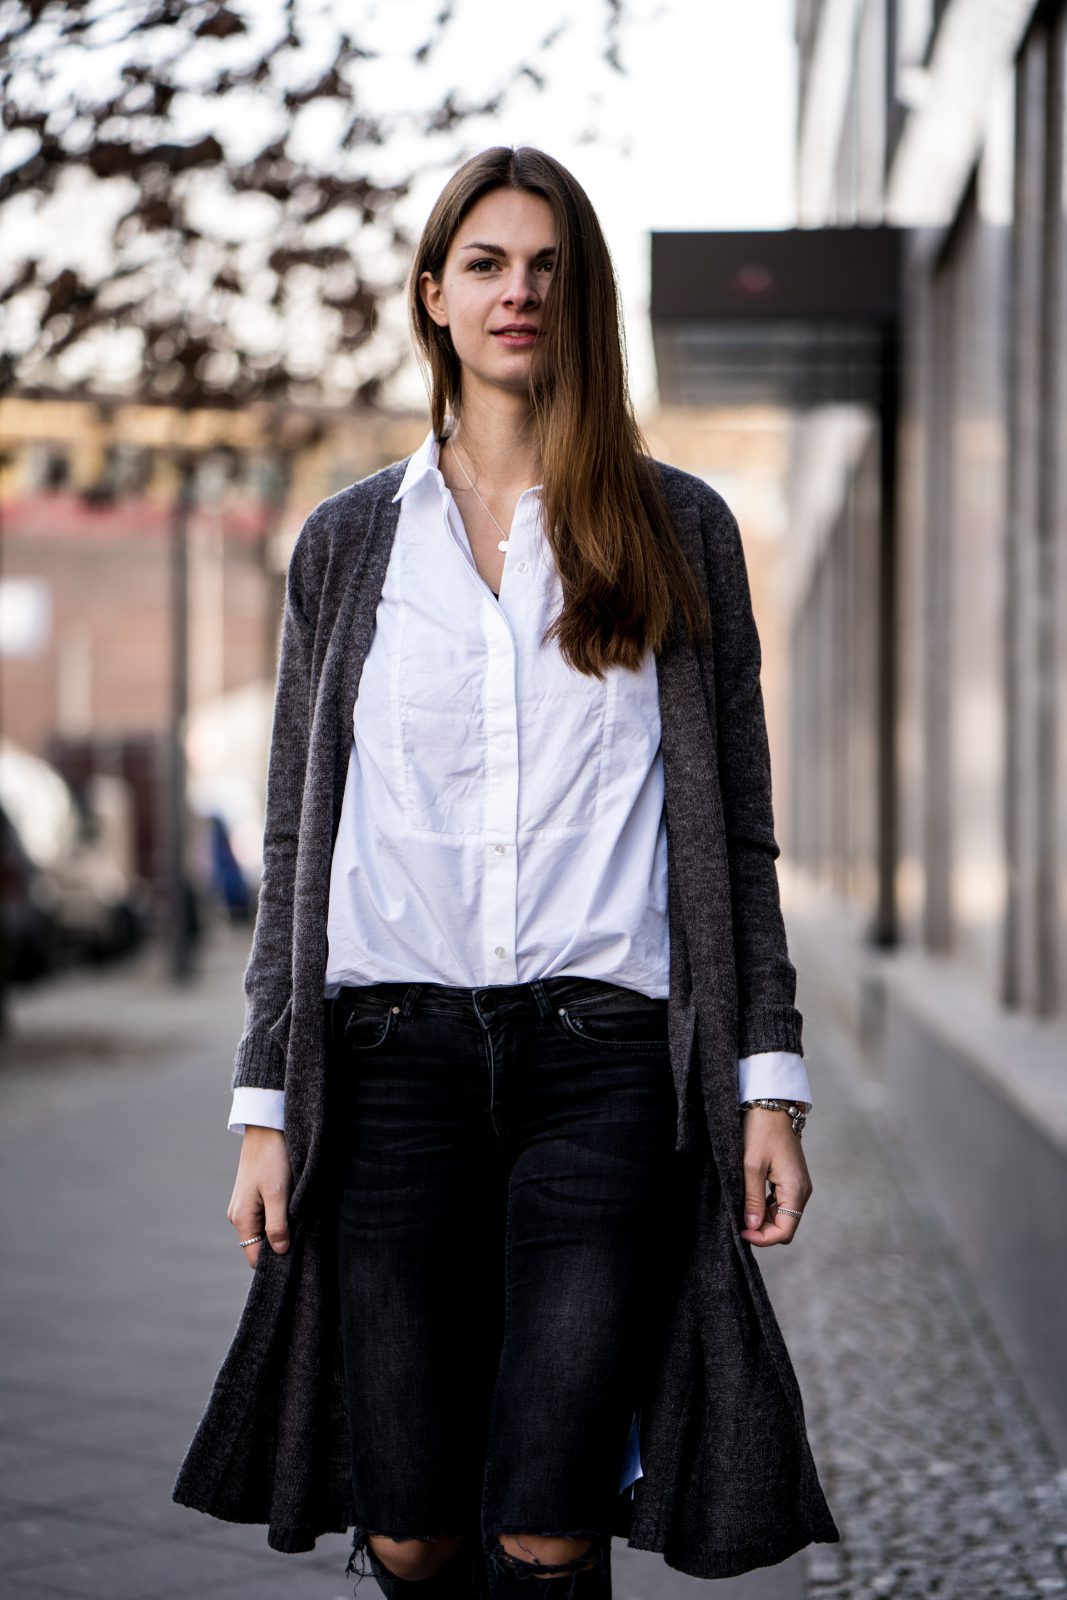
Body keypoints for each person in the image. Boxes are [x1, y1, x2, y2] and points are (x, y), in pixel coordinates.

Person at [172, 145, 838, 1596]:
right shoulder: (350, 544)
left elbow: (734, 831)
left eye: (544, 267)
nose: (515, 290)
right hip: (390, 1059)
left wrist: (766, 1085)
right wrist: (267, 1108)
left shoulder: (680, 531)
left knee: (550, 1518)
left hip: (606, 1065)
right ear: (434, 299)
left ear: (581, 299)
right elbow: (299, 833)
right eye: (485, 263)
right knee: (408, 1520)